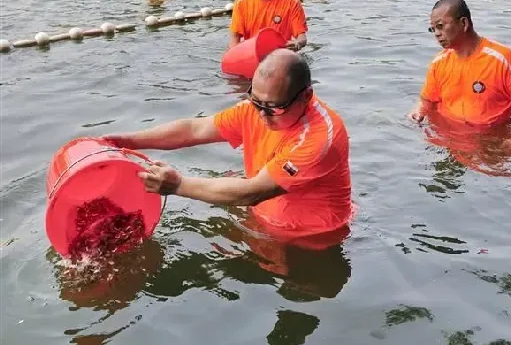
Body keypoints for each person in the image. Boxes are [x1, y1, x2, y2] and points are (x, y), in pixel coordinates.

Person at [104, 49, 352, 240]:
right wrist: (127, 141)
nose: (262, 114)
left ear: (306, 96)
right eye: (256, 101)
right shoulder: (258, 108)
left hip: (309, 238)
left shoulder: (319, 138)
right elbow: (194, 129)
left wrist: (179, 185)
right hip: (262, 216)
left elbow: (253, 192)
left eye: (274, 107)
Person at [409, 0, 511, 129]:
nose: (437, 34)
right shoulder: (439, 63)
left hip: (490, 141)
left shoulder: (501, 60)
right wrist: (419, 111)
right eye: (433, 29)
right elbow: (427, 100)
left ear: (464, 23)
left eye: (440, 26)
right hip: (448, 141)